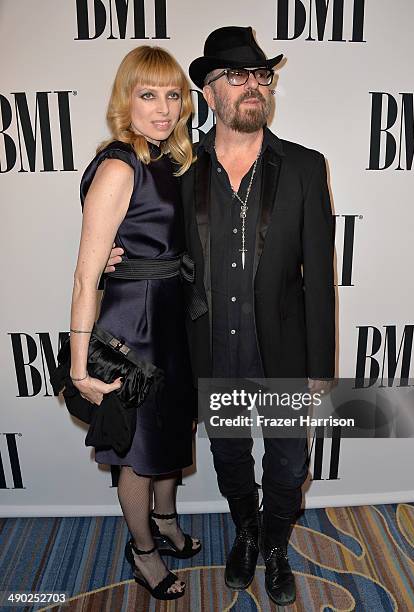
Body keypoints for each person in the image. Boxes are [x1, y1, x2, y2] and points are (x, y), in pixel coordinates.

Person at [107, 27, 335, 606]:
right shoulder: (178, 169)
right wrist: (116, 252)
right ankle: (247, 531)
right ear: (208, 93)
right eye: (237, 76)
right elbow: (142, 225)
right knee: (230, 455)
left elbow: (319, 276)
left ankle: (277, 544)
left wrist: (321, 365)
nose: (253, 86)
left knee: (288, 461)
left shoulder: (306, 167)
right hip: (209, 347)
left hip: (281, 348)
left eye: (261, 75)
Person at [69, 46, 201, 601]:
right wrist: (79, 368)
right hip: (134, 328)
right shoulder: (122, 164)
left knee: (172, 434)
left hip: (172, 320)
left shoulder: (171, 161)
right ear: (126, 100)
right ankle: (143, 550)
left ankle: (167, 523)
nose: (164, 107)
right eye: (149, 94)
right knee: (140, 453)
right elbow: (85, 275)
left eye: (173, 94)